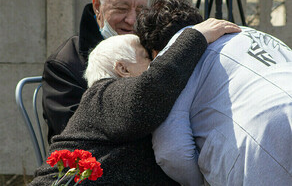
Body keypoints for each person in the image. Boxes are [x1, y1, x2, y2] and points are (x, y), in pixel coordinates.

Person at [29, 19, 240, 185]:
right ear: (123, 69)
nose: (156, 62)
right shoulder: (101, 96)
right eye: (146, 57)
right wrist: (195, 37)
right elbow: (150, 91)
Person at [135, 0, 292, 186]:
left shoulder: (173, 58)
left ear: (154, 51)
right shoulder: (246, 32)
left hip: (258, 144)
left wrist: (200, 182)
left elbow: (172, 151)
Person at [42, 0, 150, 143]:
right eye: (121, 8)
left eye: (140, 11)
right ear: (97, 6)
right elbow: (76, 132)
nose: (132, 20)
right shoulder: (65, 63)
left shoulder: (152, 49)